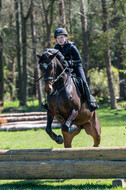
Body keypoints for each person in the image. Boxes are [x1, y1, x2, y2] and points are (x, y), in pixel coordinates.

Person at [41, 28, 99, 112]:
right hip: (64, 70)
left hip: (76, 67)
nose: (59, 40)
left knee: (83, 81)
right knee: (52, 81)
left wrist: (70, 63)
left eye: (61, 37)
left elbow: (79, 60)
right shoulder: (56, 48)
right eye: (58, 38)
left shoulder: (72, 47)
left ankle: (90, 102)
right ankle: (49, 103)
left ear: (65, 38)